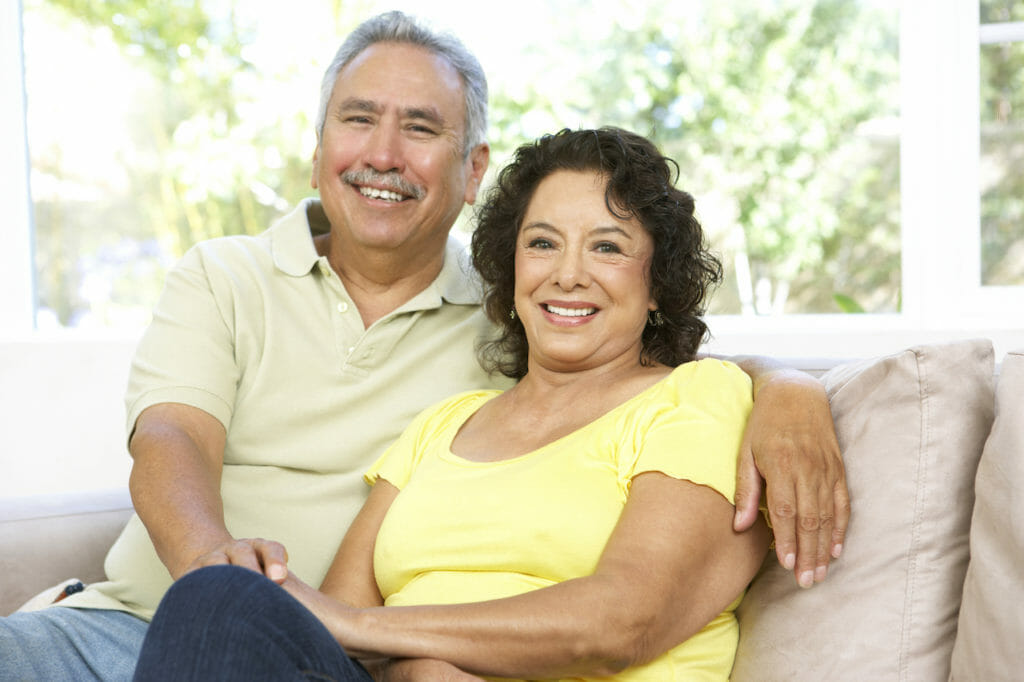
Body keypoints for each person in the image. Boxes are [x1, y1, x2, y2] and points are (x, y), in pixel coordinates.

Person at [0, 11, 847, 682]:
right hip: (148, 625)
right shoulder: (234, 282)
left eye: (419, 127)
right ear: (319, 147)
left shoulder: (547, 335)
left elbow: (661, 395)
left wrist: (791, 390)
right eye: (358, 119)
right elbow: (171, 439)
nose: (381, 153)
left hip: (288, 640)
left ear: (471, 171)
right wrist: (221, 578)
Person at [134, 126, 773, 681]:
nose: (567, 273)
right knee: (218, 598)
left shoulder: (694, 397)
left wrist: (399, 645)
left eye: (607, 247)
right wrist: (409, 664)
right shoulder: (445, 422)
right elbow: (331, 630)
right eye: (543, 243)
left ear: (657, 282)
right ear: (511, 266)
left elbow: (622, 622)